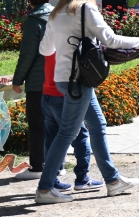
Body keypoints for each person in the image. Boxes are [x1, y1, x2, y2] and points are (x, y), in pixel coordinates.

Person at [35, 0, 139, 204]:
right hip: (80, 80)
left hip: (64, 80)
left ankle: (113, 180)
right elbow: (110, 40)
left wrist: (66, 44)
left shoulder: (56, 13)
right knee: (67, 132)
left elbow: (45, 51)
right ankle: (45, 189)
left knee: (97, 125)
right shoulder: (86, 9)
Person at [11, 0, 55, 181]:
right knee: (54, 123)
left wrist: (17, 79)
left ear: (30, 0)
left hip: (38, 81)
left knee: (37, 124)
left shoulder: (34, 20)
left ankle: (38, 166)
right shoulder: (58, 16)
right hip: (58, 77)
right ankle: (57, 164)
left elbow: (28, 54)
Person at [39, 52, 93, 192]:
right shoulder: (66, 43)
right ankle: (82, 177)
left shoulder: (50, 41)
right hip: (63, 95)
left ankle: (53, 179)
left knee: (51, 138)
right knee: (80, 136)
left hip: (47, 93)